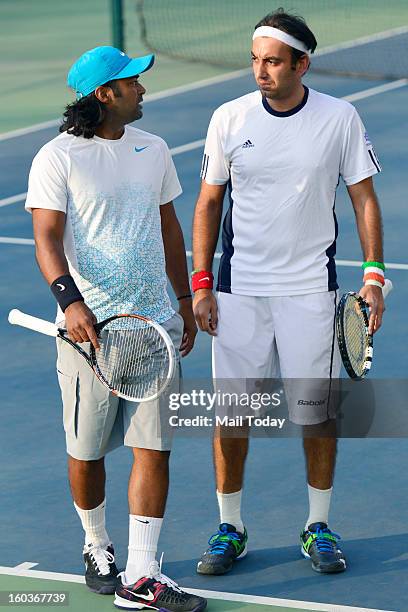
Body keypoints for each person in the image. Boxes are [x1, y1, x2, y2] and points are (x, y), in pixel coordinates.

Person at [192, 9, 385, 576]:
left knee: (316, 414)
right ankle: (231, 526)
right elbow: (208, 203)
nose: (260, 71)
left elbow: (364, 199)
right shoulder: (228, 118)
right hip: (239, 293)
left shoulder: (340, 118)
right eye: (255, 59)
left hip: (309, 291)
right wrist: (201, 284)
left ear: (303, 63)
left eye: (273, 61)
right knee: (232, 416)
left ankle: (316, 525)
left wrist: (374, 274)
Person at [25, 46, 206, 611]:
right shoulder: (57, 157)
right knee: (88, 453)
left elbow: (169, 226)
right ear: (105, 93)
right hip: (91, 335)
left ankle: (143, 573)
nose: (143, 89)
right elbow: (47, 240)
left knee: (153, 448)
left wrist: (182, 297)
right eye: (132, 81)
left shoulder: (153, 148)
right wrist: (70, 303)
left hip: (153, 327)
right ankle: (96, 543)